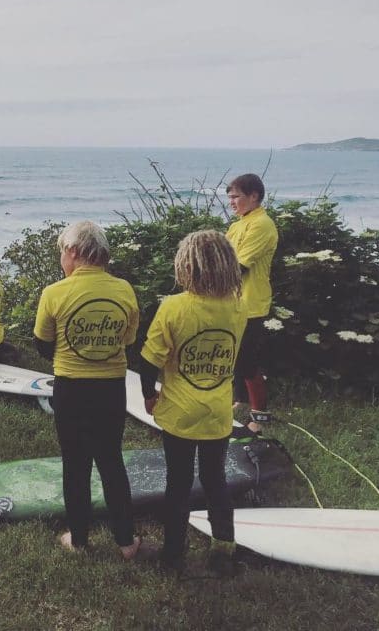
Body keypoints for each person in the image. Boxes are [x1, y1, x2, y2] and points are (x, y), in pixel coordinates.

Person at [33, 221, 145, 559]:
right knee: (112, 461)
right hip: (111, 388)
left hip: (71, 389)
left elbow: (42, 344)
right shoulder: (124, 290)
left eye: (61, 253)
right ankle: (126, 542)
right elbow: (127, 340)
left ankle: (79, 540)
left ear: (72, 251)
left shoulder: (55, 292)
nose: (61, 261)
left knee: (75, 465)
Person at [138, 230, 247, 575]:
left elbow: (149, 361)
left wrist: (148, 394)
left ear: (186, 266)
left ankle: (172, 555)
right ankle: (224, 551)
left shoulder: (173, 307)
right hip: (217, 411)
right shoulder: (237, 307)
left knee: (178, 484)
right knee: (216, 481)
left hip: (181, 414)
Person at [225, 173, 278, 433]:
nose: (231, 202)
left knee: (247, 361)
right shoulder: (238, 224)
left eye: (236, 197)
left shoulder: (262, 225)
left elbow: (239, 266)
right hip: (232, 301)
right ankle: (240, 400)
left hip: (250, 303)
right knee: (233, 356)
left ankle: (260, 417)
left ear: (254, 196)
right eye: (230, 197)